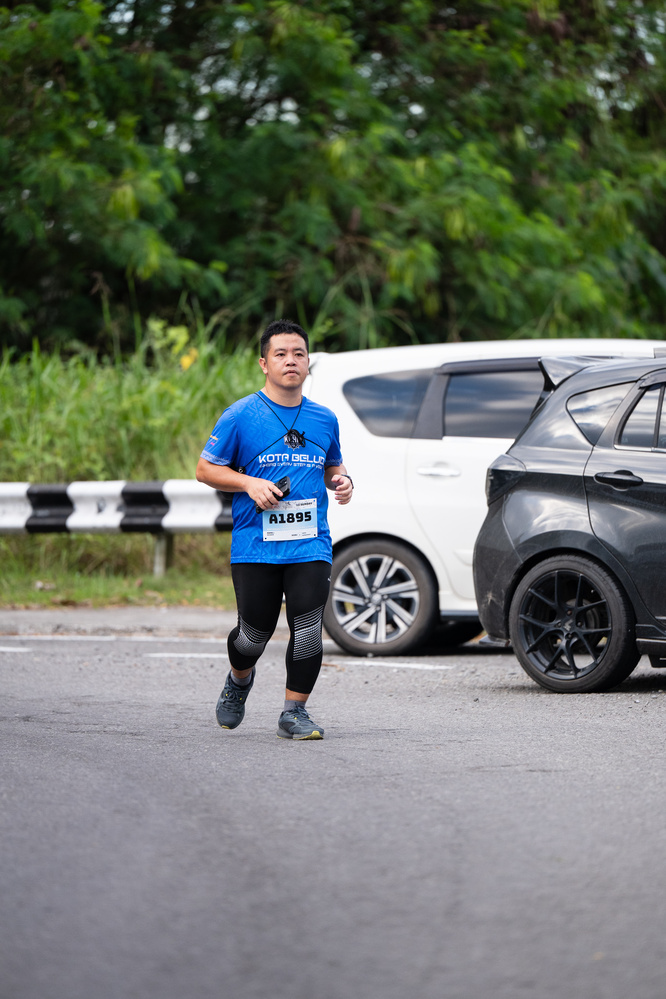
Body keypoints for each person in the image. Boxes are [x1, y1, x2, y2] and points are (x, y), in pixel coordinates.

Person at [195, 319, 353, 740]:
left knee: (309, 627)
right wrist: (249, 483)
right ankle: (239, 679)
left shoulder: (324, 419)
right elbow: (205, 469)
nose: (291, 361)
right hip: (255, 544)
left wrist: (342, 481)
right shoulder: (240, 415)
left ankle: (294, 712)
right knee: (253, 634)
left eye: (298, 353)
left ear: (308, 363)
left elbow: (332, 466)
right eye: (280, 354)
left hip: (310, 544)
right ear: (264, 363)